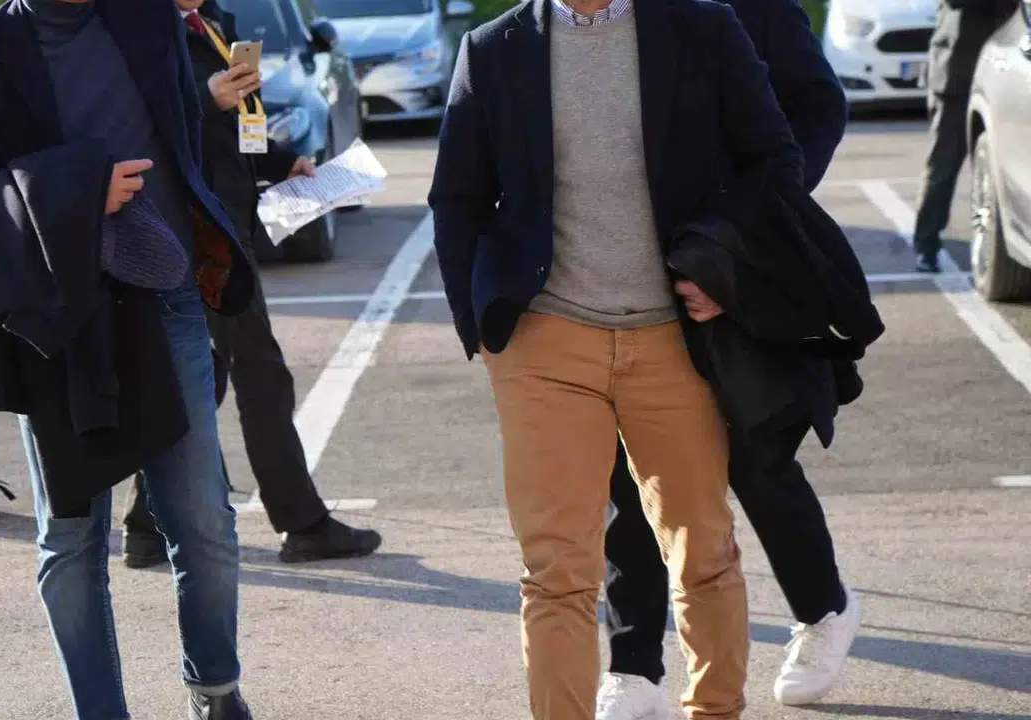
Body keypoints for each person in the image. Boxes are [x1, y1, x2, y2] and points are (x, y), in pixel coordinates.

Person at [428, 0, 807, 717]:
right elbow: (457, 197)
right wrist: (480, 329)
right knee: (557, 570)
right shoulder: (493, 48)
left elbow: (773, 161)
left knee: (703, 550)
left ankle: (715, 709)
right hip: (545, 345)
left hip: (676, 339)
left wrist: (726, 273)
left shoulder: (702, 28)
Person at [0, 0, 259, 717]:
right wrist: (75, 191)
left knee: (203, 520)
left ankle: (214, 689)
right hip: (60, 328)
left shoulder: (148, 19)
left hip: (166, 303)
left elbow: (181, 134)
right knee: (72, 541)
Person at [596, 0, 862, 715]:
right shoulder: (595, 18)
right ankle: (634, 666)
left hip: (733, 265)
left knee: (756, 456)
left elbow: (818, 105)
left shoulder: (754, 8)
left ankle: (825, 608)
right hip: (625, 274)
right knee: (629, 471)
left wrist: (745, 239)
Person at [120, 0, 382, 569]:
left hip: (225, 230)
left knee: (203, 377)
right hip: (192, 236)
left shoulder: (212, 23)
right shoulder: (138, 30)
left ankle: (148, 524)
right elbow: (137, 124)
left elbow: (231, 132)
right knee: (254, 377)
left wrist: (282, 163)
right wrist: (205, 99)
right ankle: (301, 522)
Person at [914, 0, 1020, 273]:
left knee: (1006, 169)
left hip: (1006, 75)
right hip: (958, 75)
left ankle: (1007, 248)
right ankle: (926, 244)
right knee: (943, 167)